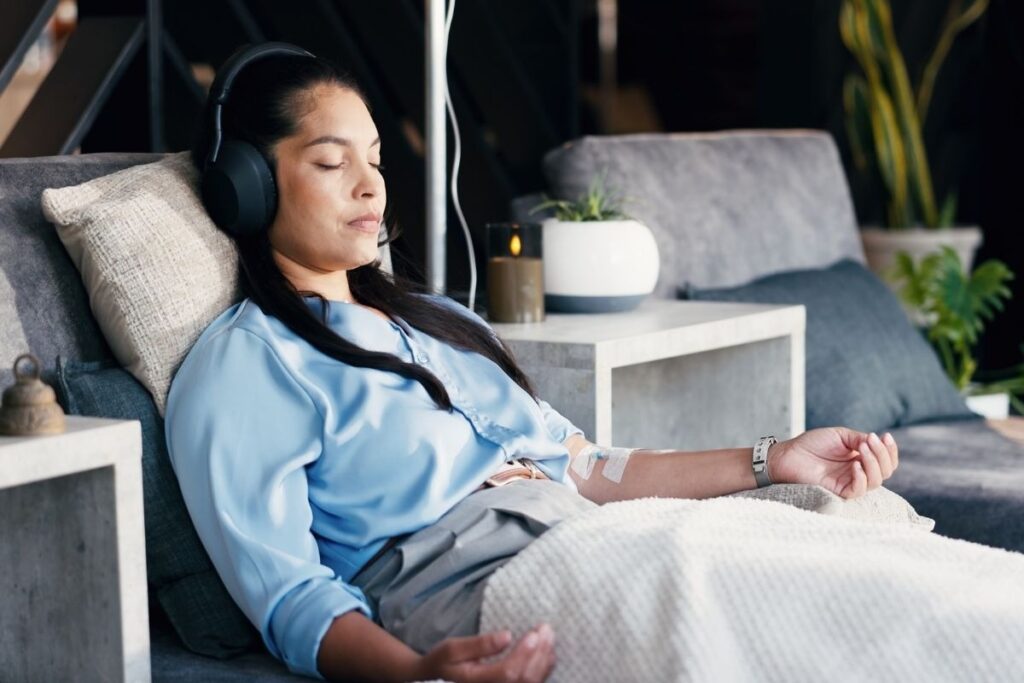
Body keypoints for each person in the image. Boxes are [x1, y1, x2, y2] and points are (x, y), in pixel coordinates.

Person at [164, 43, 899, 683]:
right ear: (251, 184)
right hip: (462, 573)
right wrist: (416, 671)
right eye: (332, 161)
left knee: (859, 547)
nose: (370, 184)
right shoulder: (245, 366)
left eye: (377, 159)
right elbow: (290, 596)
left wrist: (775, 458)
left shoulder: (442, 319)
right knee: (791, 618)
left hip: (577, 523)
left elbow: (586, 464)